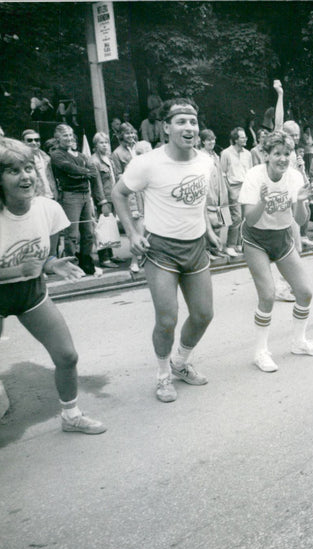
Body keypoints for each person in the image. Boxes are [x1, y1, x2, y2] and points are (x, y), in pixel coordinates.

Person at [0, 138, 107, 492]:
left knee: (67, 355)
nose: (25, 176)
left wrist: (52, 264)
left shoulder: (48, 208)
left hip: (30, 294)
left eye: (27, 168)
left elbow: (42, 258)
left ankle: (71, 416)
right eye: (12, 170)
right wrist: (24, 268)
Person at [112, 98, 220, 403]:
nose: (189, 127)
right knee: (167, 319)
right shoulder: (147, 163)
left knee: (203, 314)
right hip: (161, 251)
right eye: (181, 122)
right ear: (166, 127)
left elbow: (196, 203)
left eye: (193, 122)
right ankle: (162, 376)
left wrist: (209, 231)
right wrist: (132, 234)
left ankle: (180, 363)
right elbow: (118, 193)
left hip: (196, 247)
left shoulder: (205, 161)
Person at [238, 130, 313, 372]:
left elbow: (300, 220)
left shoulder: (295, 177)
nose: (282, 158)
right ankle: (260, 352)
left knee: (305, 292)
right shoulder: (254, 176)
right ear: (266, 155)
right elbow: (250, 219)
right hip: (256, 239)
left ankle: (299, 342)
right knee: (267, 295)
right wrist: (263, 203)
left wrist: (300, 201)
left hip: (282, 238)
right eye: (277, 153)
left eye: (287, 153)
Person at [49, 124, 103, 275]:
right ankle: (71, 264)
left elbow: (93, 170)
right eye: (65, 135)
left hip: (86, 195)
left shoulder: (80, 155)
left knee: (88, 233)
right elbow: (69, 169)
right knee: (72, 234)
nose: (69, 138)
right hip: (70, 196)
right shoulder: (56, 154)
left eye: (70, 135)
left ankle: (86, 262)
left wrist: (82, 173)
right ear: (57, 138)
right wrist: (85, 172)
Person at [89, 132, 120, 268]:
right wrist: (102, 202)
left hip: (112, 196)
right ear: (95, 145)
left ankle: (111, 254)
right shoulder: (94, 161)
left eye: (106, 142)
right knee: (103, 227)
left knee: (110, 225)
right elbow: (97, 184)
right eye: (101, 143)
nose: (105, 145)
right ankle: (104, 258)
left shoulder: (108, 158)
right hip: (104, 199)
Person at [219, 126, 252, 258]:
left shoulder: (248, 154)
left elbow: (250, 172)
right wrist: (228, 191)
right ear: (235, 139)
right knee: (236, 217)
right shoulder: (226, 153)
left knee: (245, 217)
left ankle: (239, 244)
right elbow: (223, 173)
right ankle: (230, 245)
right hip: (233, 187)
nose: (245, 139)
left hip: (246, 186)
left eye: (245, 137)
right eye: (243, 137)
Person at [21, 128, 57, 201]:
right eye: (29, 140)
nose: (34, 142)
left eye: (36, 140)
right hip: (36, 198)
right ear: (23, 142)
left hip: (51, 196)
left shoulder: (46, 157)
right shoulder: (21, 159)